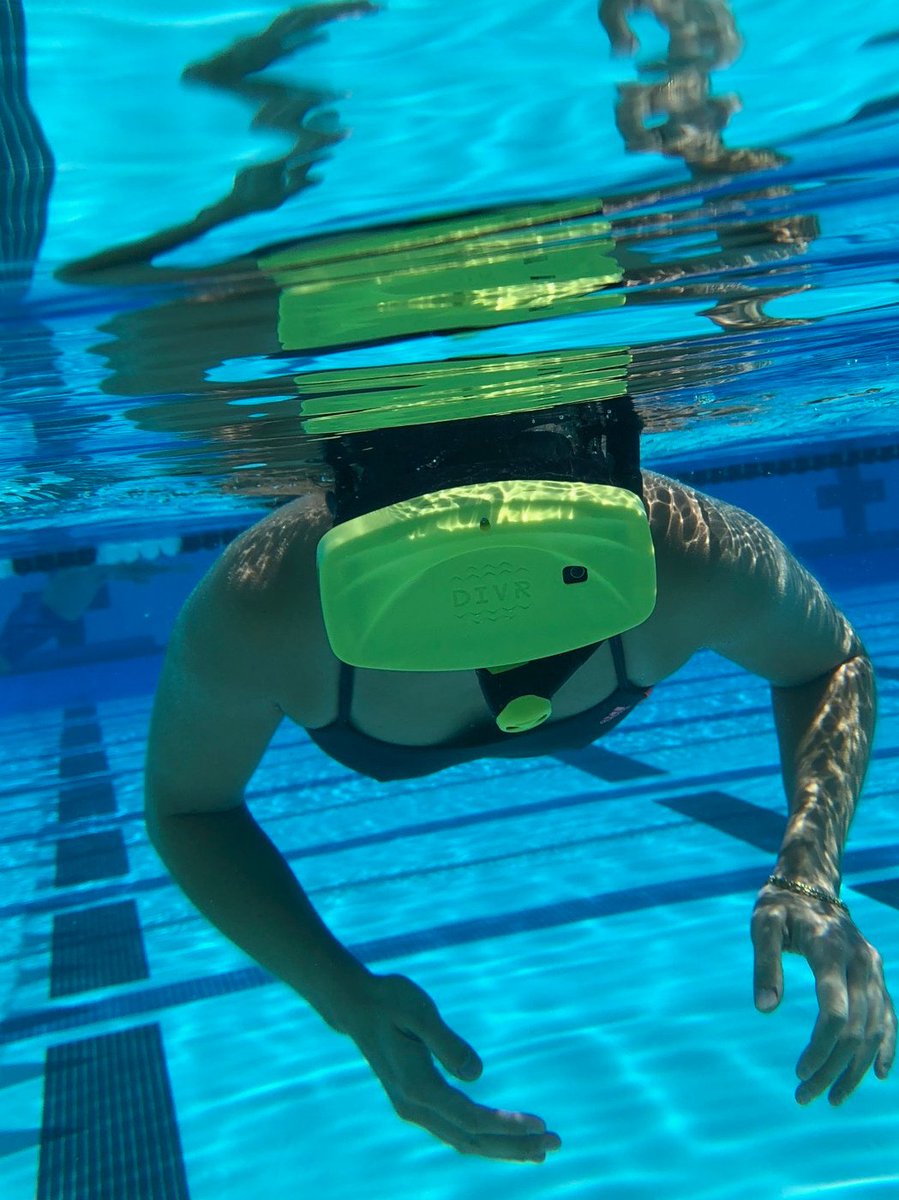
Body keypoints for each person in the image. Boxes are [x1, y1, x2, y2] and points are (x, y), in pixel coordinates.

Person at [145, 398, 895, 1164]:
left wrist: (810, 874)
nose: (493, 565)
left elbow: (831, 661)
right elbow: (188, 809)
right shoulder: (265, 600)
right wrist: (341, 994)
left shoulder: (686, 551)